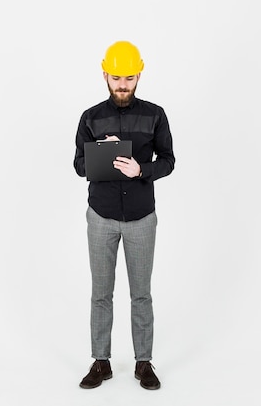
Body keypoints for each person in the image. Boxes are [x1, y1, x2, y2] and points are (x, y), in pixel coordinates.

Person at [73, 41, 175, 390]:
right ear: (105, 74)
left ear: (139, 75)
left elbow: (168, 161)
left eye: (129, 78)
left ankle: (143, 363)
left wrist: (141, 169)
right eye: (116, 77)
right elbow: (78, 165)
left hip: (141, 218)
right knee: (101, 292)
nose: (122, 84)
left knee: (141, 293)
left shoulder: (155, 114)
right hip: (100, 216)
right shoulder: (91, 117)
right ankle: (100, 361)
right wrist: (103, 151)